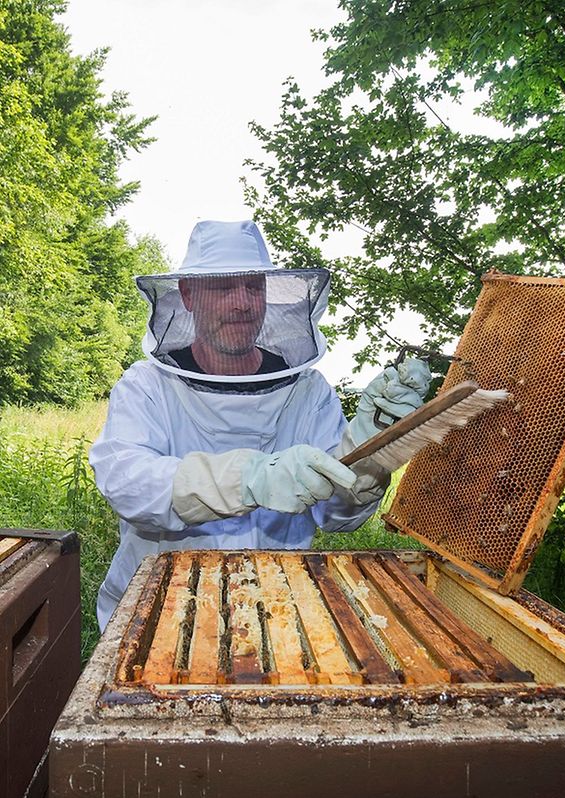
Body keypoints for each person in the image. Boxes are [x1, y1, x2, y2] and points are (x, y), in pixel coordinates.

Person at [90, 220, 431, 631]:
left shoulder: (307, 392)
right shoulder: (148, 386)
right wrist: (250, 478)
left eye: (254, 287)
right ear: (188, 295)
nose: (243, 302)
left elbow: (341, 517)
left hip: (277, 610)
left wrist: (368, 456)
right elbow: (127, 482)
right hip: (159, 611)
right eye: (223, 287)